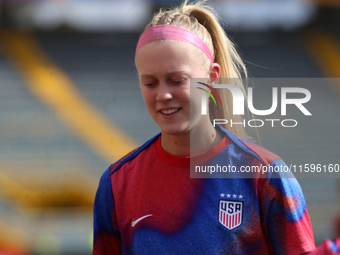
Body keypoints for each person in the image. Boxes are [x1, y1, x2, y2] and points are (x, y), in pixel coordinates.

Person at [92, 1, 319, 254]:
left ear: (212, 77)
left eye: (176, 80)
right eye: (150, 83)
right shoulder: (117, 184)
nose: (163, 94)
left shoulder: (265, 176)